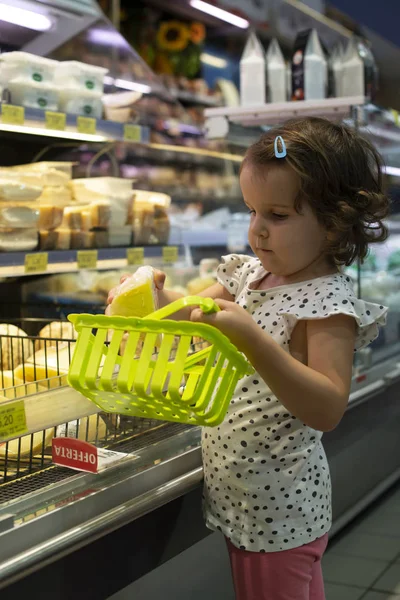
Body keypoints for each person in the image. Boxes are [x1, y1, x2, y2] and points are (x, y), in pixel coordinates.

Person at [107, 117, 389, 600]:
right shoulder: (250, 275)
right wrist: (155, 301)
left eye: (277, 216)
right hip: (247, 497)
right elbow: (195, 315)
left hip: (280, 510)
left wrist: (252, 339)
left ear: (334, 222)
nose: (257, 231)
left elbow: (327, 406)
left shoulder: (326, 304)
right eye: (251, 212)